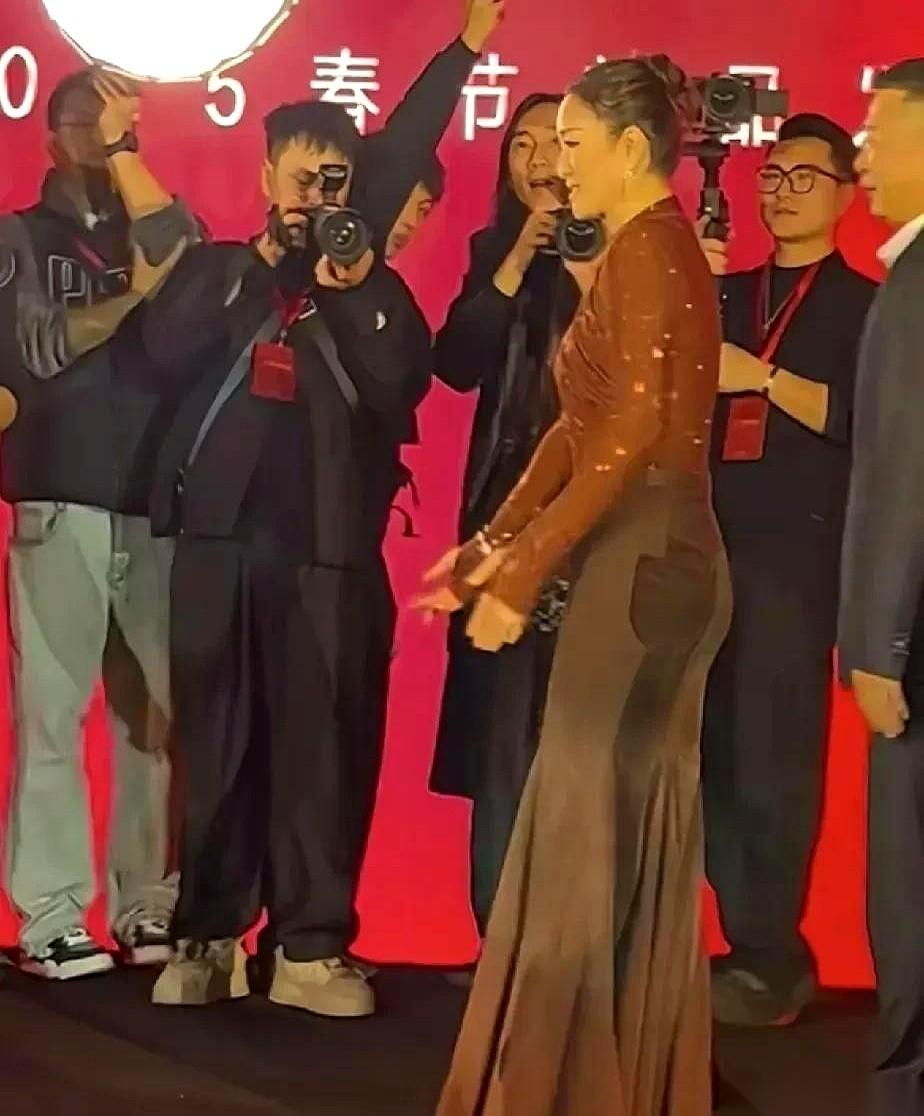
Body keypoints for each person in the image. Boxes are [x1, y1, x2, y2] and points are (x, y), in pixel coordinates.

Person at [420, 56, 728, 1115]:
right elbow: (575, 428)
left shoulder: (648, 249)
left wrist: (523, 572)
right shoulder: (645, 250)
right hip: (649, 555)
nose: (557, 166)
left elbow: (629, 435)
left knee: (586, 833)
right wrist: (487, 550)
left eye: (574, 144)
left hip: (645, 559)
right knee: (603, 831)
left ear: (631, 150)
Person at [0, 69, 197, 980]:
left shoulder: (154, 219)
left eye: (118, 123)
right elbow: (37, 346)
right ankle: (49, 912)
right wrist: (134, 303)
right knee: (53, 714)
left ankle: (147, 901)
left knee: (149, 719)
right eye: (86, 123)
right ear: (53, 136)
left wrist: (130, 167)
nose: (103, 137)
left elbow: (193, 292)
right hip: (58, 497)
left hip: (156, 501)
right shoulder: (17, 236)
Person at [697, 115, 876, 1026]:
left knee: (774, 756)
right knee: (707, 751)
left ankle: (772, 955)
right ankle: (730, 939)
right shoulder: (727, 290)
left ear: (846, 193)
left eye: (805, 177)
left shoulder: (867, 303)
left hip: (796, 560)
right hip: (703, 548)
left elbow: (865, 419)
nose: (782, 192)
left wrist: (761, 380)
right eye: (772, 174)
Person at [429, 93, 579, 944]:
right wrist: (520, 252)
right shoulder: (498, 254)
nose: (536, 160)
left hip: (588, 520)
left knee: (571, 733)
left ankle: (566, 942)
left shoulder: (621, 247)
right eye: (520, 145)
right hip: (500, 519)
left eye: (552, 142)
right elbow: (456, 361)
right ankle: (499, 937)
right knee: (499, 736)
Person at [838, 58, 924, 1116]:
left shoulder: (916, 283)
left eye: (879, 132)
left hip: (914, 649)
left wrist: (876, 645)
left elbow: (902, 473)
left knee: (908, 892)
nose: (863, 156)